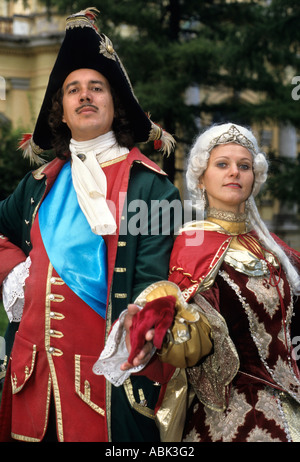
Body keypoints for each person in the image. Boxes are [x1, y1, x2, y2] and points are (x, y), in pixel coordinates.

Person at [0, 8, 182, 442]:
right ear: (60, 110)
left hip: (109, 390)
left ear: (113, 102)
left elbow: (156, 286)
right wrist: (13, 272)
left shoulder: (156, 192)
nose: (85, 96)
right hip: (33, 386)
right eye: (73, 90)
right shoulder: (35, 185)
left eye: (96, 88)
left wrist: (145, 317)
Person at [166, 123, 300, 442]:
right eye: (222, 164)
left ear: (255, 178)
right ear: (201, 177)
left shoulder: (278, 251)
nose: (234, 173)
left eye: (244, 166)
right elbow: (186, 348)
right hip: (226, 416)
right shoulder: (191, 246)